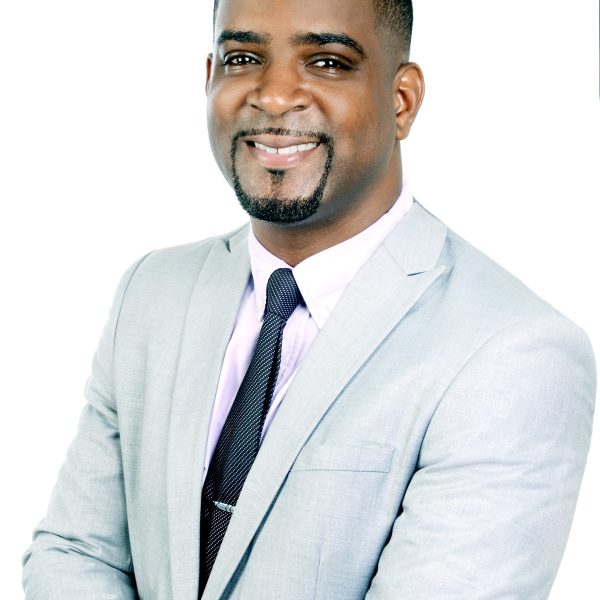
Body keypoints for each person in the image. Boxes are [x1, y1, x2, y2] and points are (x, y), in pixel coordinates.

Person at [22, 0, 596, 598]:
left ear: (402, 100)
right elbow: (75, 553)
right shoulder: (153, 292)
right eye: (242, 58)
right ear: (209, 77)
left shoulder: (513, 354)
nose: (273, 96)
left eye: (327, 62)